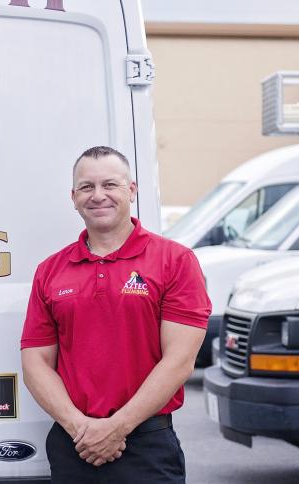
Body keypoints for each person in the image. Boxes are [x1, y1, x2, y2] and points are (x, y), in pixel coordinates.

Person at [21, 146, 210, 483]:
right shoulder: (50, 271)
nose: (98, 196)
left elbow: (179, 361)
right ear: (73, 197)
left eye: (110, 185)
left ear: (132, 190)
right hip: (73, 445)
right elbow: (36, 362)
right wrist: (82, 429)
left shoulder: (175, 261)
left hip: (146, 445)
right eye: (86, 187)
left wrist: (116, 428)